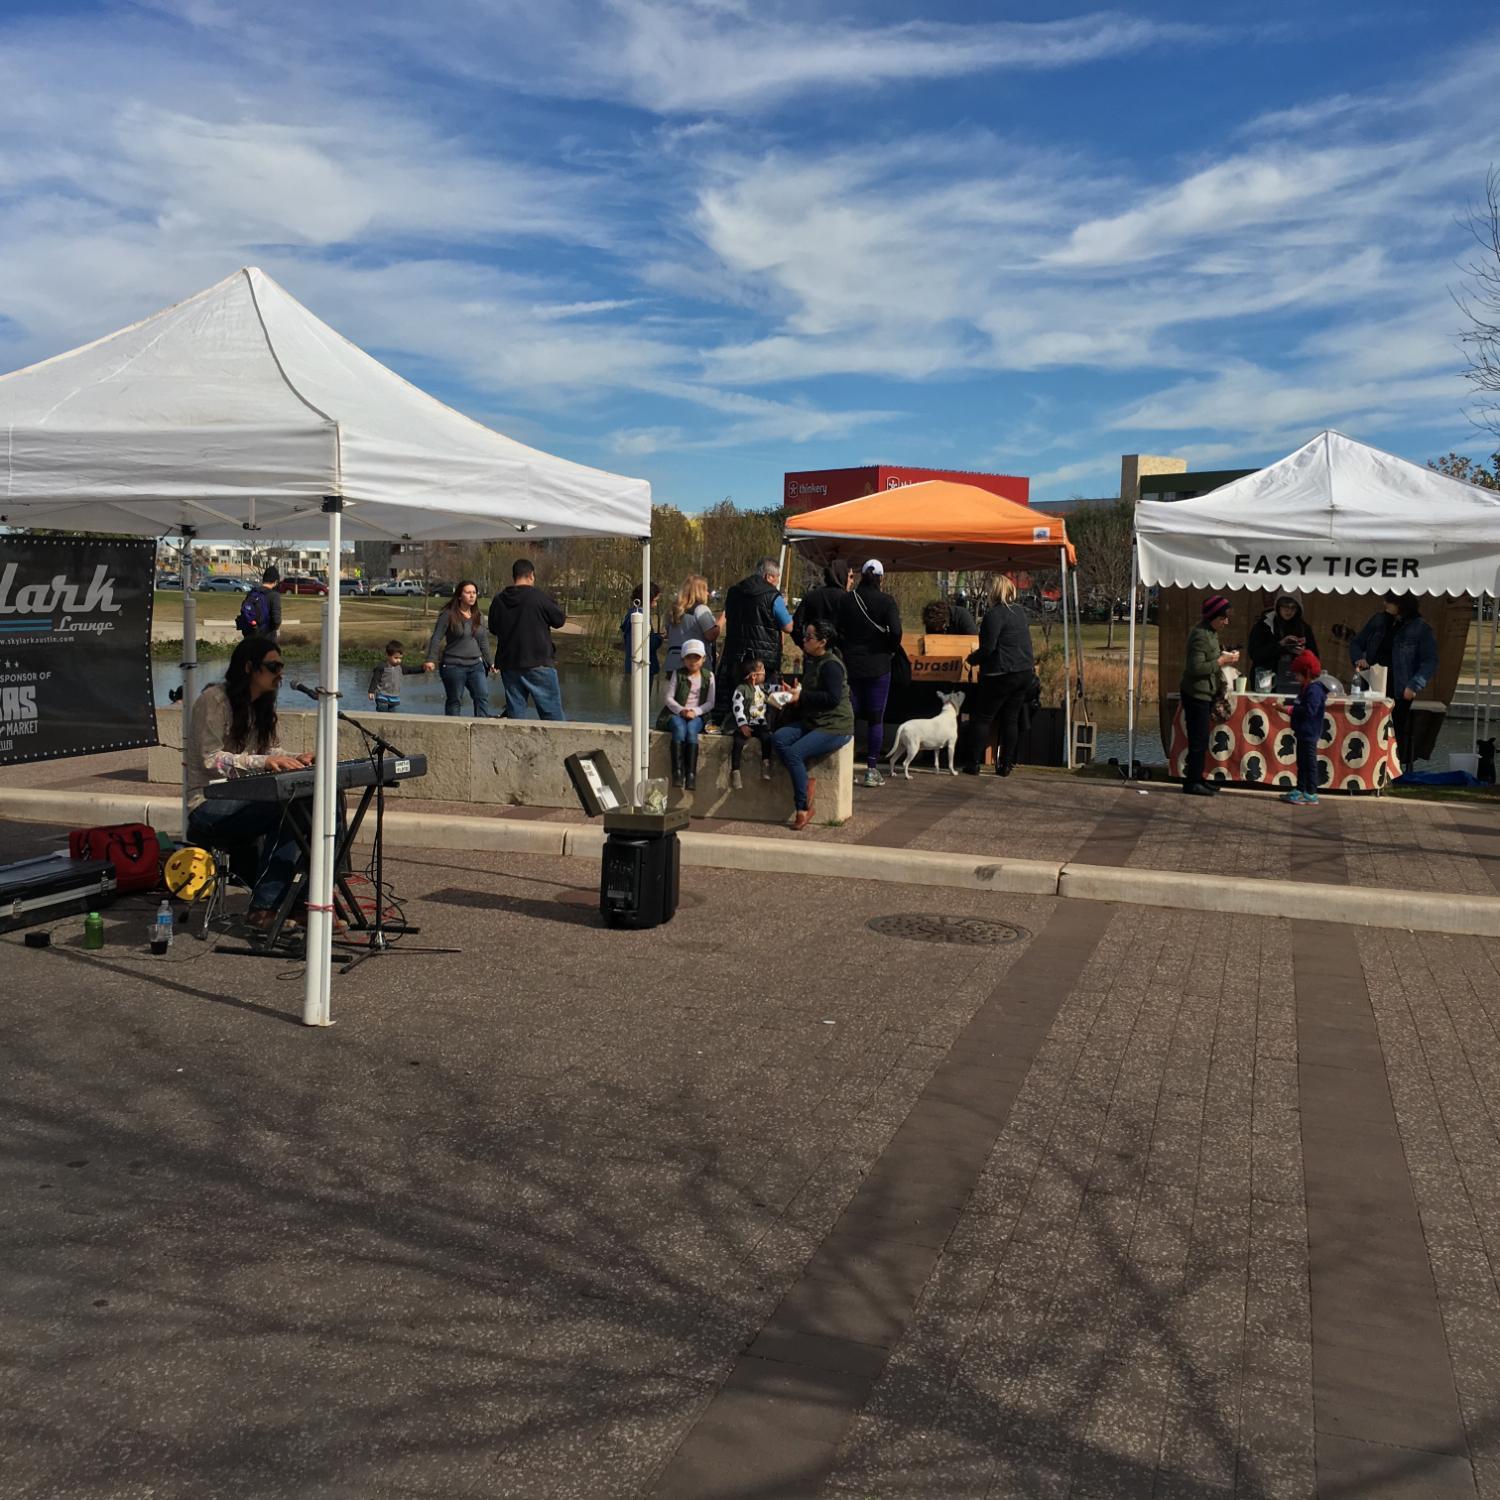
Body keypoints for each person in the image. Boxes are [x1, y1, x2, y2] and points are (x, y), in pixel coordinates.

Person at [183, 637, 313, 935]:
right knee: (287, 812)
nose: (279, 673)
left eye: (281, 666)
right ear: (248, 667)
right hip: (208, 803)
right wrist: (262, 764)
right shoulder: (213, 700)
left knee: (321, 805)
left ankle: (301, 900)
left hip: (249, 798)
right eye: (272, 666)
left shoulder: (264, 705)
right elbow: (209, 759)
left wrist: (297, 758)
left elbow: (271, 753)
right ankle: (263, 908)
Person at [774, 619, 854, 832]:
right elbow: (811, 692)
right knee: (779, 738)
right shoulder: (813, 661)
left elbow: (832, 698)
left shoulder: (831, 665)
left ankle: (803, 808)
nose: (804, 640)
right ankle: (804, 780)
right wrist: (794, 692)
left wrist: (802, 695)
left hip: (835, 725)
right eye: (805, 636)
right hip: (814, 720)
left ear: (822, 642)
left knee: (793, 754)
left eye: (809, 637)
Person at [1350, 591, 1438, 771]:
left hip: (1400, 687)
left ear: (1402, 604)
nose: (1385, 604)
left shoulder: (1420, 628)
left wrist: (1415, 684)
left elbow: (1430, 660)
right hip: (1373, 682)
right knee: (1368, 726)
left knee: (1393, 729)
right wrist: (1359, 658)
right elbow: (1356, 642)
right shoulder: (1378, 621)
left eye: (1389, 602)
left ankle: (1390, 769)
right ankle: (1366, 769)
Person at [958, 575, 1035, 777]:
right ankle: (1005, 765)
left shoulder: (994, 614)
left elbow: (988, 648)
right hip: (1024, 672)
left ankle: (973, 763)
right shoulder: (1020, 612)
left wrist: (971, 660)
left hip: (1001, 673)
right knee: (1010, 719)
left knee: (982, 718)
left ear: (993, 592)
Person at [842, 560, 903, 788]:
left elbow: (838, 629)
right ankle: (871, 769)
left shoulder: (848, 600)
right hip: (879, 665)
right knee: (876, 718)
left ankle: (843, 762)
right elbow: (896, 631)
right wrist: (888, 647)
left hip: (852, 664)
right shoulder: (887, 602)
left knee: (851, 715)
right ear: (881, 578)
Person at [490, 558, 567, 720]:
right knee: (552, 715)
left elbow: (493, 628)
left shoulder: (499, 600)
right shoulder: (538, 597)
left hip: (509, 663)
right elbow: (559, 620)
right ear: (531, 575)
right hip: (538, 661)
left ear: (514, 576)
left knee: (515, 713)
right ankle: (555, 745)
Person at [717, 557, 793, 719]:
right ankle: (763, 731)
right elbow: (788, 627)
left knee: (737, 698)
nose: (778, 581)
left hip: (736, 654)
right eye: (777, 577)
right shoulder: (773, 596)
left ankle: (736, 728)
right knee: (765, 699)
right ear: (768, 577)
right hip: (764, 659)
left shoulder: (734, 592)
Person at [1181, 594, 1239, 796]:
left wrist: (1226, 656)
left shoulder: (1211, 633)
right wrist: (1221, 662)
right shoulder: (1200, 635)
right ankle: (1191, 783)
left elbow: (1210, 657)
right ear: (1213, 617)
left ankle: (1198, 778)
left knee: (1202, 739)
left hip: (1205, 693)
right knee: (1198, 740)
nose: (1226, 622)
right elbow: (1195, 668)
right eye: (1223, 618)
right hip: (1196, 694)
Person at [423, 580, 497, 717]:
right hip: (453, 665)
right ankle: (453, 730)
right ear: (459, 596)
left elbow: (483, 641)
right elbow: (437, 637)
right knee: (455, 700)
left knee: (482, 696)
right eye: (468, 592)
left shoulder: (479, 616)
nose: (472, 596)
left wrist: (491, 662)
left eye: (474, 593)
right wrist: (431, 659)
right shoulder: (448, 614)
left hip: (476, 665)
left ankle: (481, 727)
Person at [663, 640, 715, 791]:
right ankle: (677, 772)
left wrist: (696, 712)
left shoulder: (709, 676)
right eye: (689, 657)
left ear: (703, 659)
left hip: (698, 715)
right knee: (679, 729)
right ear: (683, 659)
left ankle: (691, 774)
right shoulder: (677, 674)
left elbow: (711, 702)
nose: (693, 661)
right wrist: (682, 710)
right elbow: (668, 699)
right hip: (676, 713)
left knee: (692, 731)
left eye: (696, 657)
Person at [1281, 648, 1327, 806]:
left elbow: (1309, 710)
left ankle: (1311, 793)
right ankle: (1300, 789)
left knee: (1309, 762)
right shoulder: (1306, 688)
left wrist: (1288, 710)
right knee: (1301, 762)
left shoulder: (1314, 690)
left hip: (1309, 732)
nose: (1295, 677)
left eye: (1297, 674)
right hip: (1302, 732)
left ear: (1306, 673)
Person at [1248, 593, 1318, 690]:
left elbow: (1315, 659)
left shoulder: (1303, 628)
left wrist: (1303, 653)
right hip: (1266, 679)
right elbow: (1255, 653)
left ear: (1298, 609)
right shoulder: (1264, 626)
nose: (1288, 611)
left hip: (1294, 681)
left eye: (1293, 607)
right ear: (1277, 606)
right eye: (1284, 606)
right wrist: (1280, 645)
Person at [729, 654, 776, 789]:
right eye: (762, 672)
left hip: (760, 723)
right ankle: (735, 770)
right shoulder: (741, 689)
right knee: (738, 742)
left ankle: (766, 763)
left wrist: (788, 691)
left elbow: (775, 691)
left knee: (767, 738)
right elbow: (737, 706)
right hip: (746, 723)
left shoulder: (762, 688)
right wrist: (742, 724)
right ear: (754, 675)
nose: (765, 675)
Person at [663, 575, 719, 675]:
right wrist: (722, 620)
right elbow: (711, 635)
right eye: (705, 590)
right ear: (699, 591)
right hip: (694, 666)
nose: (707, 593)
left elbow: (668, 633)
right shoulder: (701, 610)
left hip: (672, 664)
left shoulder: (672, 611)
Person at [792, 557, 853, 640]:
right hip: (839, 650)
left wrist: (805, 645)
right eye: (850, 577)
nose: (852, 581)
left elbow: (796, 625)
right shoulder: (847, 599)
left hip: (813, 648)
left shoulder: (811, 595)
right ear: (842, 575)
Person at [620, 581, 663, 680]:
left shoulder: (631, 614)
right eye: (655, 600)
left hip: (634, 666)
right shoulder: (641, 617)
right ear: (649, 599)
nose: (656, 604)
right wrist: (660, 637)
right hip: (642, 666)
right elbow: (646, 643)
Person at [236, 565, 283, 643]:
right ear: (275, 582)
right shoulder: (274, 595)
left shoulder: (252, 593)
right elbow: (276, 620)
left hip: (249, 638)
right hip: (267, 639)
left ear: (263, 579)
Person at [367, 639, 415, 713]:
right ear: (387, 655)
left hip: (394, 696)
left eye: (400, 658)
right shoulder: (382, 666)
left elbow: (411, 670)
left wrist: (423, 668)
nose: (398, 660)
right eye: (396, 658)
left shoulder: (400, 667)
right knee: (382, 712)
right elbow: (375, 679)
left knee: (392, 715)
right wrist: (371, 691)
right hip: (382, 695)